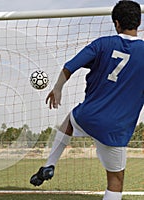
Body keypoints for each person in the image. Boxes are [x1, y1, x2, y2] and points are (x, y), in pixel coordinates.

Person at [30, 1, 143, 199]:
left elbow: (70, 66)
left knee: (69, 122)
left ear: (116, 23)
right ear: (139, 23)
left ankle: (49, 164)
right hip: (116, 129)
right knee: (115, 181)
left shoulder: (102, 44)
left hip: (89, 116)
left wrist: (57, 88)